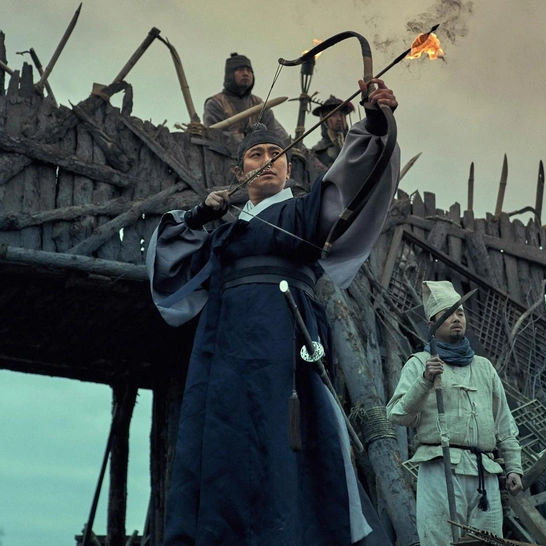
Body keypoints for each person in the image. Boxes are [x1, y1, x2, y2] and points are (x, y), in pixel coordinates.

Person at [148, 78, 401, 545]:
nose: (267, 161)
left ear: (288, 168)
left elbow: (347, 187)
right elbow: (171, 271)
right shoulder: (225, 232)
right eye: (255, 155)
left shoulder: (303, 214)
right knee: (223, 452)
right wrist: (200, 217)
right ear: (239, 170)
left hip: (285, 348)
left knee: (290, 447)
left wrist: (373, 123)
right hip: (223, 356)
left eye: (275, 154)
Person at [386, 281, 524, 545]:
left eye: (460, 313)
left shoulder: (484, 368)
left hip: (484, 472)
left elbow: (504, 422)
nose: (456, 319)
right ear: (432, 324)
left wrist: (514, 467)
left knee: (487, 543)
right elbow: (397, 414)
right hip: (441, 469)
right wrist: (425, 381)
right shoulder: (419, 364)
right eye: (448, 314)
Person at [203, 52, 290, 142]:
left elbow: (275, 132)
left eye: (249, 71)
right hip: (227, 150)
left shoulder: (258, 103)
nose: (245, 73)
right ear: (230, 74)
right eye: (240, 70)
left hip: (258, 150)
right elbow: (214, 135)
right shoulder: (216, 103)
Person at [311, 95, 354, 168]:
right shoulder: (316, 153)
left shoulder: (355, 143)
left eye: (341, 115)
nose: (339, 119)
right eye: (334, 115)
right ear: (324, 121)